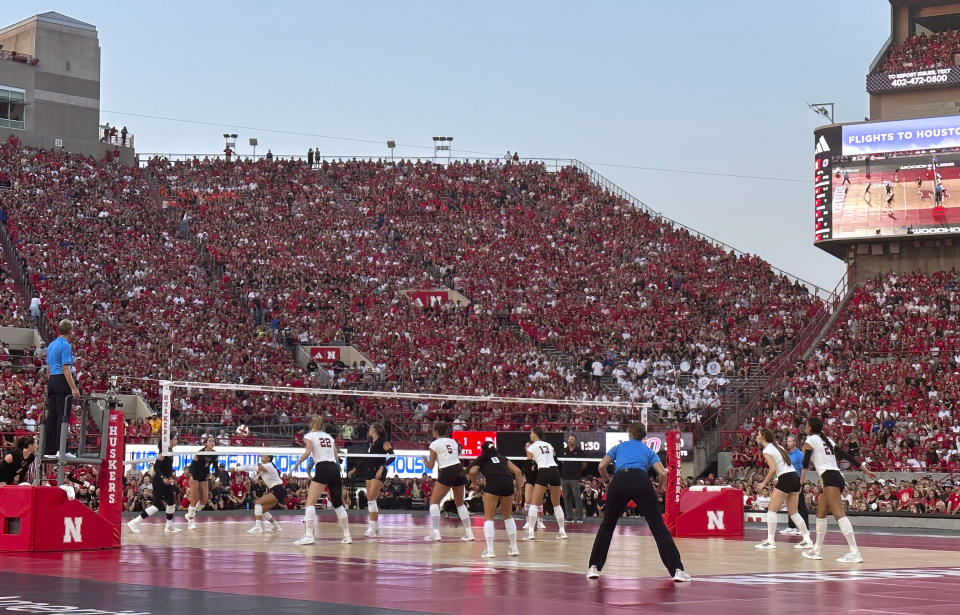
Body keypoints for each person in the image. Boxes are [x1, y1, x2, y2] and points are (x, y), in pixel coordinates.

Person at [586, 422, 690, 581]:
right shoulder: (648, 450)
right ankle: (677, 570)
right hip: (641, 481)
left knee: (607, 526)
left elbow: (601, 466)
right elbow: (662, 474)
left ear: (629, 434)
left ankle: (594, 567)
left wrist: (607, 481)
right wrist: (659, 490)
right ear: (644, 436)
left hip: (620, 480)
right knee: (659, 528)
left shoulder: (619, 447)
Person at [801, 416, 877, 563]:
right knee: (820, 513)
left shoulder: (811, 440)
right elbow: (846, 456)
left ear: (810, 428)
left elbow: (805, 461)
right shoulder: (827, 440)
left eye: (806, 425)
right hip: (836, 477)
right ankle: (816, 550)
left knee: (839, 514)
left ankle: (855, 552)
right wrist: (864, 469)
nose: (805, 427)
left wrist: (802, 479)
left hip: (829, 478)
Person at [292, 417, 351, 545]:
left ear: (311, 424)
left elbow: (308, 452)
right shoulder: (329, 437)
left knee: (310, 502)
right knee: (337, 503)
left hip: (323, 467)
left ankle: (309, 536)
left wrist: (296, 464)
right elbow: (336, 456)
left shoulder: (309, 436)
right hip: (335, 468)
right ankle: (347, 536)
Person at [752, 429, 812, 551]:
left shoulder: (767, 450)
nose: (756, 436)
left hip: (785, 477)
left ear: (763, 437)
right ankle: (807, 540)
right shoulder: (777, 446)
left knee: (771, 510)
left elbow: (773, 468)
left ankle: (770, 541)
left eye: (758, 434)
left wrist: (764, 483)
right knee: (794, 513)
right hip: (794, 476)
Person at [467, 441, 524, 558]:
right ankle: (513, 547)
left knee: (489, 516)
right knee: (507, 515)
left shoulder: (482, 458)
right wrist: (519, 490)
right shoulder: (502, 457)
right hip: (508, 481)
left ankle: (490, 550)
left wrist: (475, 484)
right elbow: (518, 472)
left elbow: (472, 472)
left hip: (493, 482)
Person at [421, 421, 474, 542]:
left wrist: (424, 460)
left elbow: (430, 466)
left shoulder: (434, 444)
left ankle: (436, 533)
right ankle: (469, 533)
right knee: (460, 503)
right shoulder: (453, 441)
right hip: (459, 469)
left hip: (447, 470)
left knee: (434, 502)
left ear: (435, 431)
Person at [127, 434, 182, 534]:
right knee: (157, 506)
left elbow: (166, 468)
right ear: (169, 441)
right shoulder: (163, 453)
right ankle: (134, 522)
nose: (177, 441)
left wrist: (173, 477)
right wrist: (163, 478)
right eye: (175, 439)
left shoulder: (170, 452)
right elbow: (156, 468)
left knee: (171, 502)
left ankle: (169, 526)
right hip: (159, 481)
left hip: (166, 481)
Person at [44, 320, 80, 456]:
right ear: (70, 332)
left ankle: (50, 450)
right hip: (61, 379)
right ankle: (61, 449)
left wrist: (51, 382)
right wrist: (73, 388)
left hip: (52, 379)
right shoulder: (66, 345)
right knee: (62, 415)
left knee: (52, 416)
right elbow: (66, 368)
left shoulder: (51, 344)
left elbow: (48, 367)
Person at [524, 427, 566, 540]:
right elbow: (557, 461)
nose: (530, 435)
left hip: (543, 470)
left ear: (535, 434)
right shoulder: (549, 445)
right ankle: (562, 531)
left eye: (531, 433)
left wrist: (534, 480)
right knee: (556, 503)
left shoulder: (531, 447)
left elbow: (529, 467)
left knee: (534, 503)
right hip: (555, 471)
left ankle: (531, 532)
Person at [357, 421, 393, 538]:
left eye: (371, 428)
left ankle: (372, 528)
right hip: (370, 471)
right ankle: (375, 528)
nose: (369, 431)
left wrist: (383, 466)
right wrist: (355, 469)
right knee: (370, 499)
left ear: (375, 430)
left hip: (379, 471)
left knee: (371, 498)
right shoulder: (372, 443)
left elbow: (392, 456)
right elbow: (367, 458)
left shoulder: (383, 441)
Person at [237, 454, 284, 534]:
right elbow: (255, 479)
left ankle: (258, 527)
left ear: (269, 458)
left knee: (258, 503)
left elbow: (252, 467)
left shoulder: (268, 465)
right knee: (261, 510)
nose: (261, 456)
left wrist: (237, 468)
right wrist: (252, 478)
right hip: (278, 490)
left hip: (278, 489)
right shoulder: (264, 467)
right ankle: (275, 526)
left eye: (264, 455)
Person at [184, 437, 218, 530]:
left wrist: (215, 475)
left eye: (213, 441)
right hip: (194, 475)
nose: (212, 442)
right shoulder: (199, 453)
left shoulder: (214, 454)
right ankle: (191, 521)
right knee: (194, 499)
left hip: (204, 476)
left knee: (204, 500)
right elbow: (192, 467)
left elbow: (216, 467)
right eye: (210, 441)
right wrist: (192, 477)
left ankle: (190, 514)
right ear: (206, 443)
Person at [782, 434, 809, 535]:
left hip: (797, 479)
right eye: (787, 441)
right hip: (790, 479)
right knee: (790, 504)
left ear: (795, 442)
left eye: (790, 441)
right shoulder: (788, 454)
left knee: (801, 505)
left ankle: (805, 528)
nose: (788, 443)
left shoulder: (800, 454)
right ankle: (791, 526)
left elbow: (803, 470)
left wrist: (801, 484)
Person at [560, 434, 587, 524]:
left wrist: (577, 470)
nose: (570, 440)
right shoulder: (564, 450)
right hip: (564, 478)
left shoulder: (579, 451)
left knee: (577, 497)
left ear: (575, 441)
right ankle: (569, 517)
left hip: (575, 478)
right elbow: (561, 463)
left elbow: (584, 464)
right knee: (566, 497)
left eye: (572, 439)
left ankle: (579, 517)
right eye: (569, 439)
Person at [521, 442, 545, 531]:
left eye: (529, 446)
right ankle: (527, 521)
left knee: (538, 502)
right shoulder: (525, 459)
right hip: (529, 481)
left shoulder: (538, 457)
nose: (527, 448)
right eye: (526, 446)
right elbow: (524, 471)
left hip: (538, 481)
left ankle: (539, 521)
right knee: (527, 501)